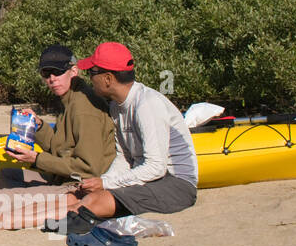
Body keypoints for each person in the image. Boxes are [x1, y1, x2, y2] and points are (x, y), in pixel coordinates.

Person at [0, 45, 115, 230]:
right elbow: (60, 148)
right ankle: (26, 206)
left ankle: (4, 213)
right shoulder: (69, 99)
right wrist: (39, 127)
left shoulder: (83, 109)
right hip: (63, 177)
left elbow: (88, 169)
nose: (52, 79)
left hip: (77, 186)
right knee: (7, 174)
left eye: (57, 72)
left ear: (74, 70)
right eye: (46, 74)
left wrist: (37, 159)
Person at [62, 41, 198, 234]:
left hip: (176, 184)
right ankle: (54, 220)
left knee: (95, 201)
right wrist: (103, 180)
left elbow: (156, 167)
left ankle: (59, 223)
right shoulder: (117, 106)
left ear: (108, 78)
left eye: (93, 72)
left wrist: (106, 185)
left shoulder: (147, 105)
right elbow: (124, 157)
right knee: (80, 196)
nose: (90, 79)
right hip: (150, 178)